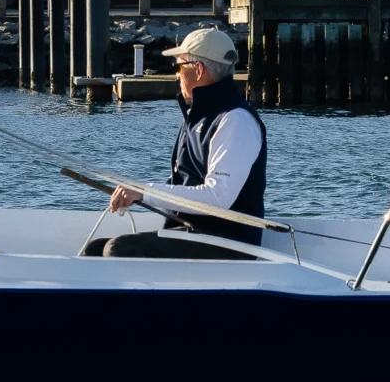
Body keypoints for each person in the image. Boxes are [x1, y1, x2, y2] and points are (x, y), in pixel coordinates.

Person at [88, 27, 267, 258]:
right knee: (95, 249)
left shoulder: (236, 120)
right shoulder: (199, 116)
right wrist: (137, 194)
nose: (176, 75)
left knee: (118, 249)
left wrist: (144, 192)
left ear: (199, 70)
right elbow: (186, 183)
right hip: (195, 232)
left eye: (179, 67)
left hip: (231, 242)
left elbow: (218, 197)